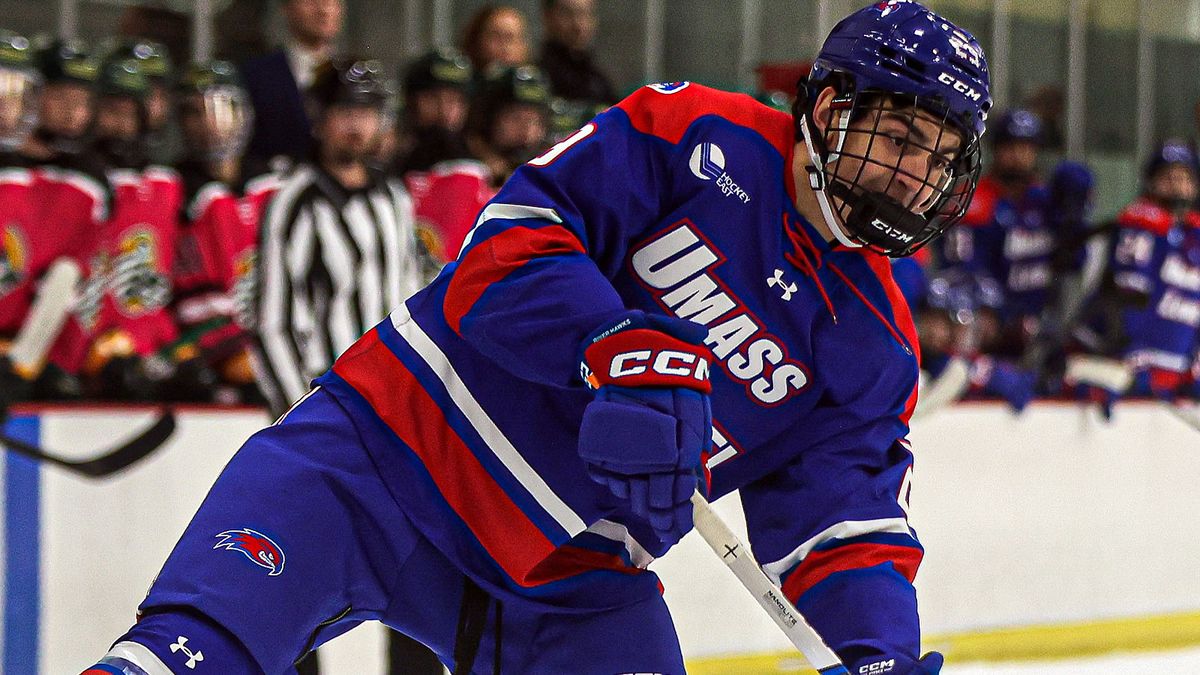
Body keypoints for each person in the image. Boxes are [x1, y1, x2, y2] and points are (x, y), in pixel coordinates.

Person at [84, 2, 989, 673]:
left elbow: (846, 527)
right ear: (830, 109)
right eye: (903, 137)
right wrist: (610, 344)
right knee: (175, 663)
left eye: (940, 159)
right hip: (378, 456)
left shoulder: (875, 340)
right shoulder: (694, 134)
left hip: (566, 572)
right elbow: (505, 247)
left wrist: (875, 650)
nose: (918, 177)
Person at [171, 60, 276, 404]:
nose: (210, 125)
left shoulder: (277, 185)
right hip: (214, 364)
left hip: (279, 350)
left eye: (222, 109)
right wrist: (230, 352)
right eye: (195, 114)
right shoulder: (178, 191)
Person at [1104, 141, 1200, 400]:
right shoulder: (1140, 223)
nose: (1176, 185)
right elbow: (1128, 299)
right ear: (1151, 182)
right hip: (1140, 367)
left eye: (1183, 177)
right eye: (1167, 177)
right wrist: (1133, 358)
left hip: (1181, 369)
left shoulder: (1194, 231)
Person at [240, 0, 343, 166]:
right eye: (311, 2)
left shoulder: (353, 74)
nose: (323, 9)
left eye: (332, 1)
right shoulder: (256, 76)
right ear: (286, 8)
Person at [465, 65, 551, 186]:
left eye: (534, 121)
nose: (526, 129)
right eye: (515, 118)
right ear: (489, 119)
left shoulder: (547, 175)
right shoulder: (463, 168)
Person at [394, 48, 474, 175]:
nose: (444, 110)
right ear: (411, 102)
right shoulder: (392, 159)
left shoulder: (479, 163)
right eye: (432, 98)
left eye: (454, 100)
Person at [537, 0, 616, 107]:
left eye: (585, 14)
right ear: (548, 17)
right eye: (567, 14)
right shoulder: (536, 78)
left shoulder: (599, 83)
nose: (578, 25)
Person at [460, 4, 530, 79]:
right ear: (478, 41)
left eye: (509, 37)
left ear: (523, 46)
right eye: (496, 36)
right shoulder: (463, 84)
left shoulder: (534, 86)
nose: (504, 45)